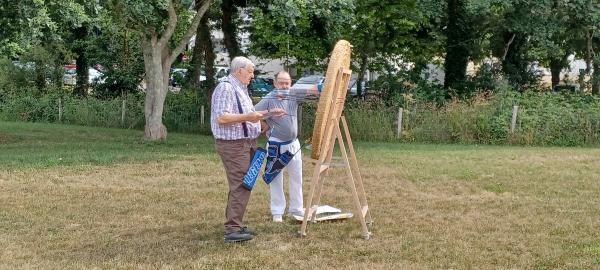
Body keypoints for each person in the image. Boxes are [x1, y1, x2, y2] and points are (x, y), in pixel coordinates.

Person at [211, 56, 285, 243]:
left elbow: (249, 116)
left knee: (245, 182)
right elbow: (222, 118)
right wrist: (249, 117)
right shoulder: (226, 87)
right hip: (234, 145)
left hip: (247, 143)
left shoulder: (241, 88)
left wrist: (269, 113)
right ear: (239, 70)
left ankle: (235, 223)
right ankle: (232, 229)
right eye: (250, 71)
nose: (253, 75)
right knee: (241, 184)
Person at [254, 71, 317, 222]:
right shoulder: (269, 98)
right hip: (275, 144)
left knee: (297, 177)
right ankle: (277, 212)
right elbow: (253, 112)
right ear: (275, 83)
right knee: (275, 177)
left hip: (293, 144)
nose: (284, 86)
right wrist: (264, 124)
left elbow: (312, 91)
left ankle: (296, 209)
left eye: (287, 83)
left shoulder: (294, 93)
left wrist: (323, 84)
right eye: (281, 82)